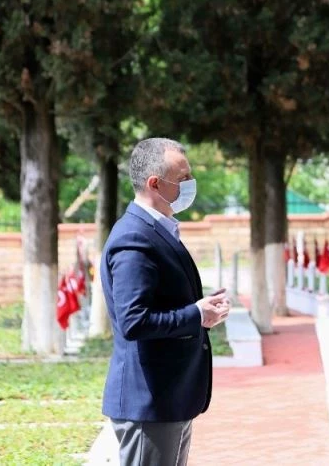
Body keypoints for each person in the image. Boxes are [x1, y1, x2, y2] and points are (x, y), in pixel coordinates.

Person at [100, 137, 230, 465]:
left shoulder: (159, 230)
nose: (190, 184)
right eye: (183, 178)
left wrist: (203, 311)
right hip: (149, 401)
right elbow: (134, 321)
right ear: (154, 183)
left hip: (170, 399)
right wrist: (195, 314)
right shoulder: (134, 237)